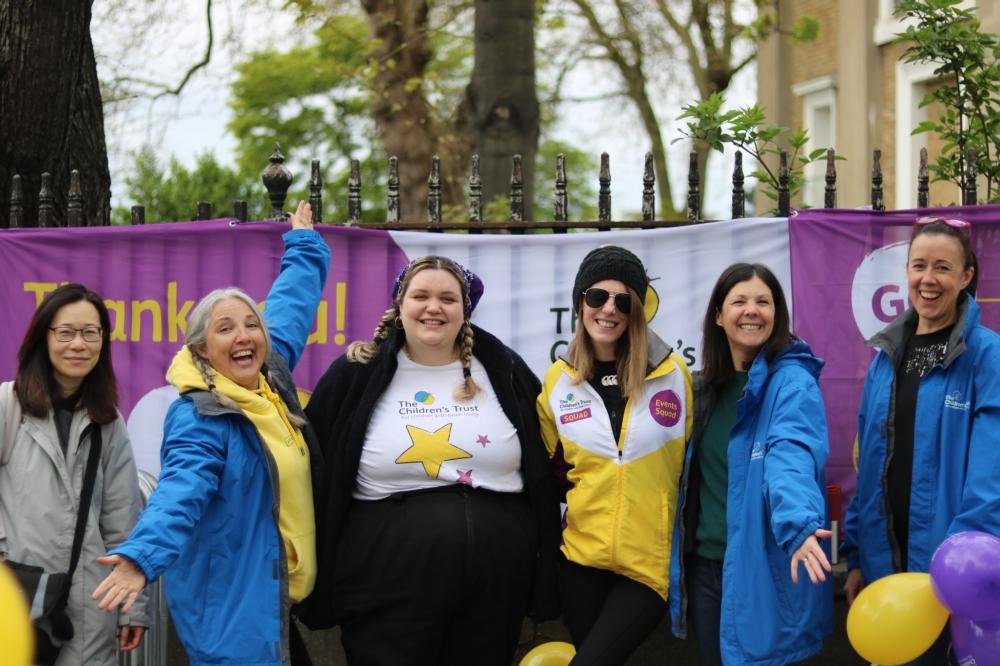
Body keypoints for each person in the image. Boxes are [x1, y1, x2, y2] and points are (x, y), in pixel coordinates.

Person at [91, 201, 330, 665]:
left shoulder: (266, 376)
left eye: (250, 325)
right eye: (226, 329)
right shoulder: (201, 413)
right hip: (231, 607)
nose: (243, 336)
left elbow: (290, 308)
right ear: (202, 350)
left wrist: (303, 244)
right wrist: (142, 557)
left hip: (274, 596)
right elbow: (180, 492)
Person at [301, 255, 560, 666]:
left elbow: (551, 453)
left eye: (447, 298)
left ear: (465, 309)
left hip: (497, 577)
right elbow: (311, 464)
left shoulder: (504, 368)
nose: (433, 307)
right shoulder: (355, 373)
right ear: (399, 307)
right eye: (420, 295)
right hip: (385, 578)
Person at [842, 217, 1000, 664]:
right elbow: (869, 467)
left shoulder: (989, 358)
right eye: (918, 266)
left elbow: (991, 479)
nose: (928, 280)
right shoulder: (885, 357)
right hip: (883, 577)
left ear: (966, 276)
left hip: (954, 581)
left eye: (943, 268)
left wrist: (956, 569)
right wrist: (856, 555)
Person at [668, 262, 833, 666]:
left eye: (763, 301)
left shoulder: (792, 383)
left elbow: (790, 455)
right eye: (739, 301)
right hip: (705, 570)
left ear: (777, 315)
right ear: (718, 316)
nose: (752, 310)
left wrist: (797, 524)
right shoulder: (699, 389)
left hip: (766, 566)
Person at [537, 245, 692, 665]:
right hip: (579, 562)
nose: (609, 309)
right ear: (579, 303)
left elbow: (690, 467)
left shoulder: (672, 375)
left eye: (623, 300)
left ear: (637, 310)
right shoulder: (558, 380)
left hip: (647, 566)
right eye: (596, 297)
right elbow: (546, 470)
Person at [0, 283, 147, 665]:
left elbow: (123, 522)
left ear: (103, 341)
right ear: (43, 338)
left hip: (89, 607)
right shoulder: (7, 405)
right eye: (65, 333)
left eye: (90, 333)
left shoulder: (108, 420)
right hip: (14, 599)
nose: (78, 344)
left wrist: (133, 607)